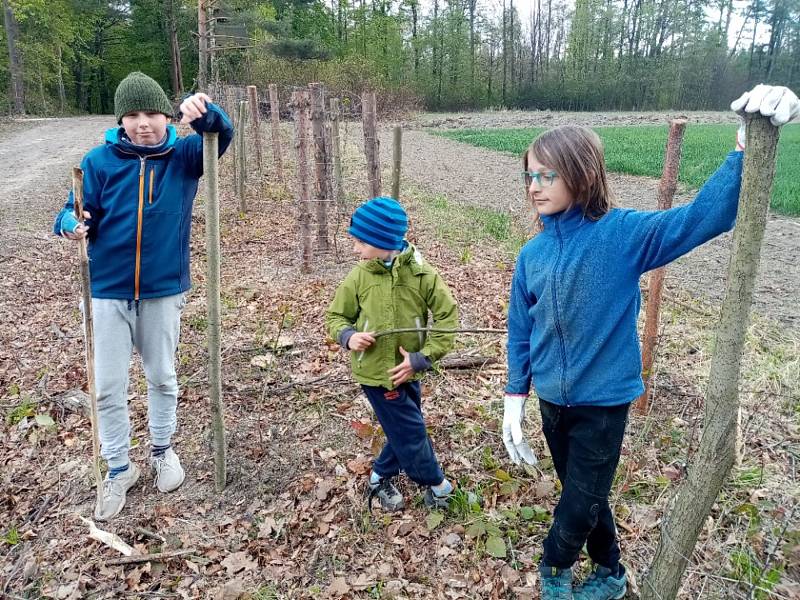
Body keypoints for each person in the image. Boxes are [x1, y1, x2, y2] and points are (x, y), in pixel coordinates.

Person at [500, 84, 799, 600]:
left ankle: (553, 572)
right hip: (552, 399)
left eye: (547, 174)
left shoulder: (625, 235)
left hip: (603, 403)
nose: (534, 185)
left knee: (576, 505)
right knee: (588, 497)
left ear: (582, 173)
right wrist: (515, 394)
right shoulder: (533, 254)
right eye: (530, 174)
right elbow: (520, 329)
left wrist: (744, 149)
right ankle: (612, 575)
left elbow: (704, 217)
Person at [53, 71, 234, 521]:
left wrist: (206, 112)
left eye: (151, 113)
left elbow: (221, 133)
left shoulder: (185, 155)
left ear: (166, 115)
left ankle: (162, 450)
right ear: (121, 120)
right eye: (132, 115)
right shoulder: (98, 161)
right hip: (105, 291)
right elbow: (71, 208)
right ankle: (118, 466)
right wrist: (71, 224)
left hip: (162, 289)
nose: (143, 124)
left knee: (162, 376)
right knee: (108, 387)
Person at [325, 197, 459, 511]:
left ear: (384, 240)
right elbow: (335, 317)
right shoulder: (360, 276)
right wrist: (348, 336)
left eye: (361, 241)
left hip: (409, 369)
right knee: (411, 431)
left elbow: (447, 317)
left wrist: (422, 357)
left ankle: (379, 477)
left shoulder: (422, 275)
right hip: (377, 375)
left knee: (403, 429)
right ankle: (438, 485)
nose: (355, 248)